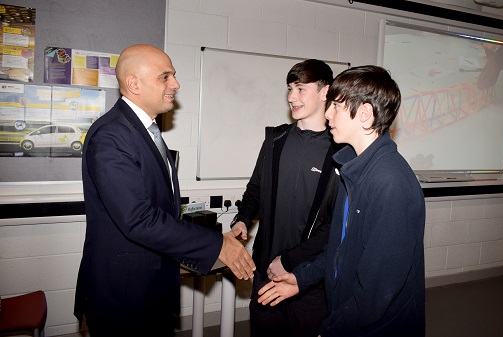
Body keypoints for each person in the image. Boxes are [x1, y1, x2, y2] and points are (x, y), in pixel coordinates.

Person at [73, 44, 255, 336]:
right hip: (124, 296)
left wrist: (211, 240)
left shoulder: (145, 132)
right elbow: (138, 219)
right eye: (165, 76)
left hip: (151, 289)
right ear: (134, 84)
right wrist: (215, 245)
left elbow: (162, 211)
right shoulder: (112, 136)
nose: (176, 84)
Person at [258, 65, 426, 337]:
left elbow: (376, 292)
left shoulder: (390, 183)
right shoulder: (352, 169)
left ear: (365, 114)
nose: (327, 114)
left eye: (335, 106)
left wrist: (331, 330)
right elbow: (340, 250)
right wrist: (302, 279)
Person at [231, 59, 341, 337]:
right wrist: (242, 219)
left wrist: (290, 261)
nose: (292, 97)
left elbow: (336, 225)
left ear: (325, 91)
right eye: (290, 89)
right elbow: (255, 189)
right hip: (266, 271)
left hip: (308, 281)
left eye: (301, 89)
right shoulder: (275, 140)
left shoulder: (341, 151)